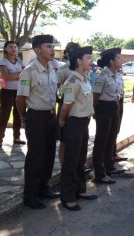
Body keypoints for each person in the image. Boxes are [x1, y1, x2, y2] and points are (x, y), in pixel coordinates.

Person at [16, 34, 60, 209]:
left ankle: (44, 188)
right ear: (37, 49)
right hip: (35, 117)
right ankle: (30, 196)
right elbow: (20, 98)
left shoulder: (51, 69)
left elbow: (53, 96)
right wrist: (23, 118)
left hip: (50, 116)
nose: (52, 50)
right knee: (36, 157)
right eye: (48, 46)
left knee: (49, 154)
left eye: (52, 46)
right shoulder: (29, 71)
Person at [59, 46, 97, 211]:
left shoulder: (85, 78)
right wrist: (61, 121)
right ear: (78, 61)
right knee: (70, 161)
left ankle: (80, 190)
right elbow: (66, 106)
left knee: (80, 159)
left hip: (84, 123)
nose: (91, 60)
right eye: (88, 57)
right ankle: (67, 197)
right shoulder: (73, 81)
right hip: (74, 123)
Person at [92, 48, 125, 185]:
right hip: (103, 108)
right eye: (118, 58)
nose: (121, 60)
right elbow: (95, 97)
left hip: (114, 107)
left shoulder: (116, 75)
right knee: (101, 141)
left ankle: (109, 167)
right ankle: (100, 173)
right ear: (111, 61)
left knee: (112, 138)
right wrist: (96, 112)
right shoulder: (102, 77)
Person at [56, 42, 80, 164]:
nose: (72, 53)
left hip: (80, 107)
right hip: (66, 105)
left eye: (75, 50)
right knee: (64, 139)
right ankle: (63, 166)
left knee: (79, 139)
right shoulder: (63, 69)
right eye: (69, 51)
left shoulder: (83, 68)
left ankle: (78, 165)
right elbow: (55, 86)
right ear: (66, 53)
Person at [0, 41, 25, 147]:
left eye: (15, 47)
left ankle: (17, 137)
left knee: (18, 114)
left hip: (19, 91)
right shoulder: (3, 61)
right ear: (6, 49)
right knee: (4, 115)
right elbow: (6, 76)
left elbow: (25, 76)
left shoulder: (20, 62)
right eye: (11, 47)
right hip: (7, 91)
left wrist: (14, 75)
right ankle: (0, 138)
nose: (14, 49)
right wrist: (20, 74)